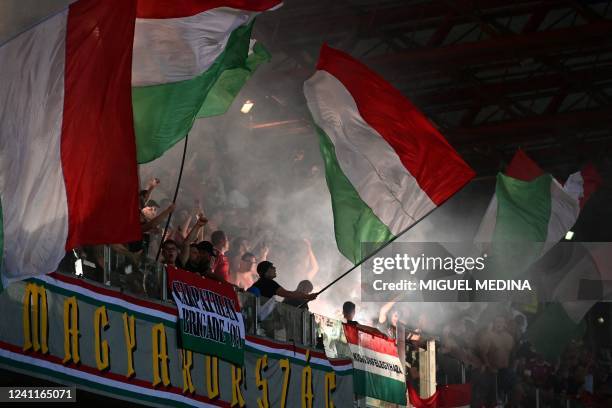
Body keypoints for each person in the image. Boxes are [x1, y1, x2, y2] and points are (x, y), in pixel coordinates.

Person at [248, 261, 317, 303]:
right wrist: (308, 296)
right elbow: (289, 294)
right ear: (266, 272)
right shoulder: (269, 283)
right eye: (272, 267)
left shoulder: (259, 283)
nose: (275, 268)